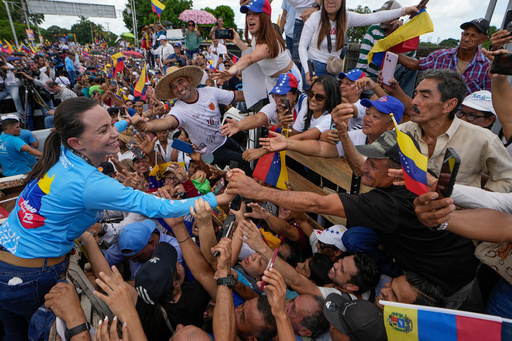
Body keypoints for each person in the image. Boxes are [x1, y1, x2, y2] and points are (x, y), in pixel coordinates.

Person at [0, 97, 233, 340]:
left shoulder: (61, 150)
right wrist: (222, 198)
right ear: (76, 142)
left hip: (7, 259)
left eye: (112, 124)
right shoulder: (91, 183)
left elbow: (108, 131)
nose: (114, 133)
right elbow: (158, 206)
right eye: (104, 130)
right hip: (29, 278)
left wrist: (128, 123)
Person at [228, 130, 481, 310]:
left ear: (395, 172)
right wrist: (344, 133)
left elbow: (320, 203)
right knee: (356, 236)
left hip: (445, 281)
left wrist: (257, 191)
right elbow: (361, 166)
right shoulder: (414, 175)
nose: (364, 167)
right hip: (446, 255)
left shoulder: (388, 204)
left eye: (373, 162)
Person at [399, 69, 512, 192]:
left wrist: (476, 203)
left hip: (455, 210)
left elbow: (507, 178)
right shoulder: (401, 132)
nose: (414, 101)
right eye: (415, 94)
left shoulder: (482, 139)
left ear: (449, 105)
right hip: (402, 205)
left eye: (425, 96)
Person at [135, 66, 251, 175]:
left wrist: (265, 93)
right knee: (242, 162)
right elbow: (168, 122)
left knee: (248, 160)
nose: (179, 88)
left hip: (226, 140)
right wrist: (147, 126)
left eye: (180, 82)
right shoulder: (178, 109)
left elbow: (237, 96)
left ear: (190, 80)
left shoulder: (210, 92)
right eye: (173, 87)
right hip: (210, 152)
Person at [298, 0, 419, 84]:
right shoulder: (315, 17)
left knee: (329, 108)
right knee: (313, 105)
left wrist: (404, 11)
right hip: (314, 67)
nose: (331, 1)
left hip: (332, 70)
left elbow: (374, 17)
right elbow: (302, 47)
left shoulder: (346, 18)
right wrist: (308, 71)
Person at [213, 0, 302, 94]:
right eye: (248, 14)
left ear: (265, 17)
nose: (250, 18)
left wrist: (231, 71)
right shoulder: (257, 37)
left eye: (255, 14)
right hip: (273, 81)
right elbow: (253, 53)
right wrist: (238, 42)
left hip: (289, 81)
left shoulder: (269, 41)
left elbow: (250, 58)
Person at [398, 18, 491, 95]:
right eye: (466, 34)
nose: (466, 39)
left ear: (482, 40)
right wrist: (391, 50)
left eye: (473, 36)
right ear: (462, 34)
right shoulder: (441, 56)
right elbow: (414, 64)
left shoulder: (486, 66)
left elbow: (488, 95)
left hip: (463, 114)